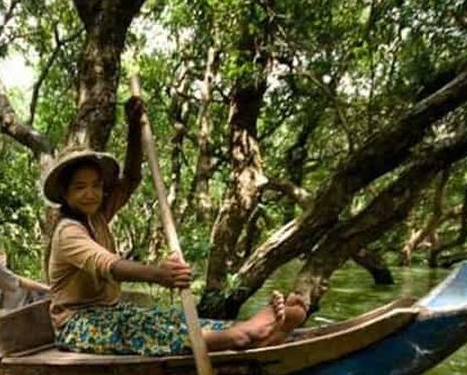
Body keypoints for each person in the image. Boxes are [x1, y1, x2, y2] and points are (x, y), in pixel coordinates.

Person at [43, 113, 308, 357]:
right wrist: (159, 274)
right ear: (65, 194)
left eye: (96, 186)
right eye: (80, 187)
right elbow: (108, 265)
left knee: (167, 318)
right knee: (143, 332)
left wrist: (135, 128)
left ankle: (250, 333)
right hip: (77, 324)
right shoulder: (68, 231)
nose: (90, 193)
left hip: (111, 312)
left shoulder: (97, 214)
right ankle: (241, 336)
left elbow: (132, 178)